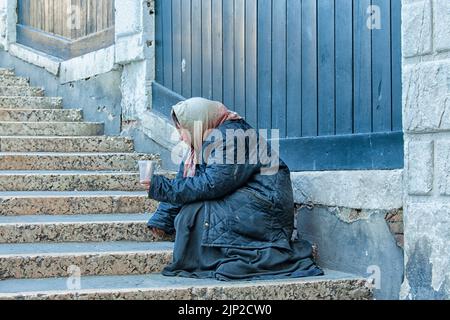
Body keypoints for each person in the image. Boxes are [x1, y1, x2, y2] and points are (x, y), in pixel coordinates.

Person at [144, 97, 323, 281]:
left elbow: (213, 183)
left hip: (266, 207)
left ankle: (215, 258)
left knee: (194, 213)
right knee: (191, 211)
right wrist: (163, 219)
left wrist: (161, 187)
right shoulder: (203, 141)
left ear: (196, 124)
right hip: (246, 199)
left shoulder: (233, 135)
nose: (181, 137)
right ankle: (205, 256)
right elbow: (187, 178)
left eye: (182, 131)